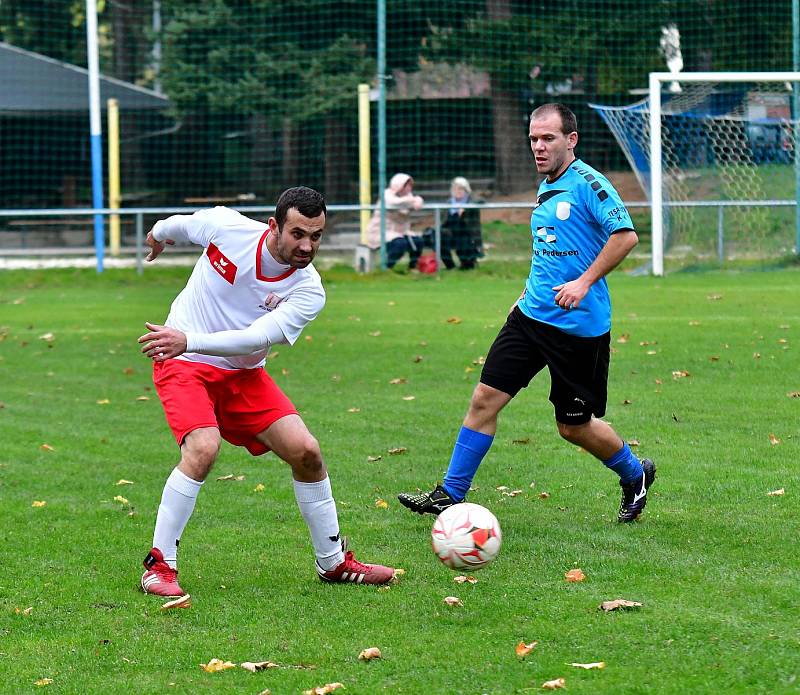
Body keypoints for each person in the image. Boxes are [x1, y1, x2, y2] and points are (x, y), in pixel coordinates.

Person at [398, 103, 656, 523]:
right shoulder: (546, 186)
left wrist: (584, 282)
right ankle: (451, 493)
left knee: (573, 426)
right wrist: (525, 292)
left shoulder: (589, 183)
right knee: (484, 399)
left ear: (571, 140)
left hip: (578, 327)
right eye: (533, 139)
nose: (538, 146)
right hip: (531, 317)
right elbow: (552, 249)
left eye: (547, 138)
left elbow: (625, 236)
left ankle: (635, 473)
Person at [137, 186, 395, 597]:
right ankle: (159, 566)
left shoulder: (309, 290)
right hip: (183, 364)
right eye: (298, 234)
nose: (307, 246)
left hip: (238, 372)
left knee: (307, 452)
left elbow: (253, 337)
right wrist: (159, 233)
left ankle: (333, 563)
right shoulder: (228, 228)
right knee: (203, 449)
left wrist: (189, 339)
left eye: (316, 236)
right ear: (274, 225)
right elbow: (181, 225)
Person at [366, 173, 424, 270]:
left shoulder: (409, 197)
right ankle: (387, 268)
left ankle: (412, 267)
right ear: (399, 185)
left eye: (410, 185)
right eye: (407, 185)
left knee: (418, 242)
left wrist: (418, 200)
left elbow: (417, 201)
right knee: (399, 244)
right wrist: (413, 200)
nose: (409, 188)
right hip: (380, 231)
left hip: (400, 232)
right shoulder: (386, 195)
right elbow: (394, 203)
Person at [438, 176, 483, 270]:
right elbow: (442, 221)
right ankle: (450, 266)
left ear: (466, 190)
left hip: (466, 232)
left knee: (462, 239)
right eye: (455, 188)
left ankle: (468, 263)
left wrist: (466, 208)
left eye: (461, 188)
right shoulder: (448, 203)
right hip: (450, 232)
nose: (457, 191)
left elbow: (481, 201)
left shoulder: (471, 200)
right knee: (437, 236)